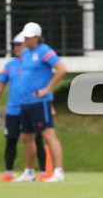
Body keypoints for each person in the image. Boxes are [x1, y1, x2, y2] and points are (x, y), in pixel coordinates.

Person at [0, 33, 46, 181]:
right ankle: (9, 172)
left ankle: (43, 172)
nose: (16, 47)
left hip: (32, 107)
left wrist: (49, 105)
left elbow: (44, 84)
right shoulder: (9, 66)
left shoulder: (35, 63)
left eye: (19, 44)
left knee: (37, 139)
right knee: (11, 140)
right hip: (13, 110)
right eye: (14, 45)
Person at [13, 22, 66, 183]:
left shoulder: (45, 51)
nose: (25, 40)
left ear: (36, 37)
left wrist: (47, 89)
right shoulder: (26, 53)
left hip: (40, 101)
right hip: (25, 102)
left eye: (28, 37)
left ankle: (58, 172)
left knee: (48, 135)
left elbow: (61, 69)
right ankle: (29, 172)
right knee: (26, 137)